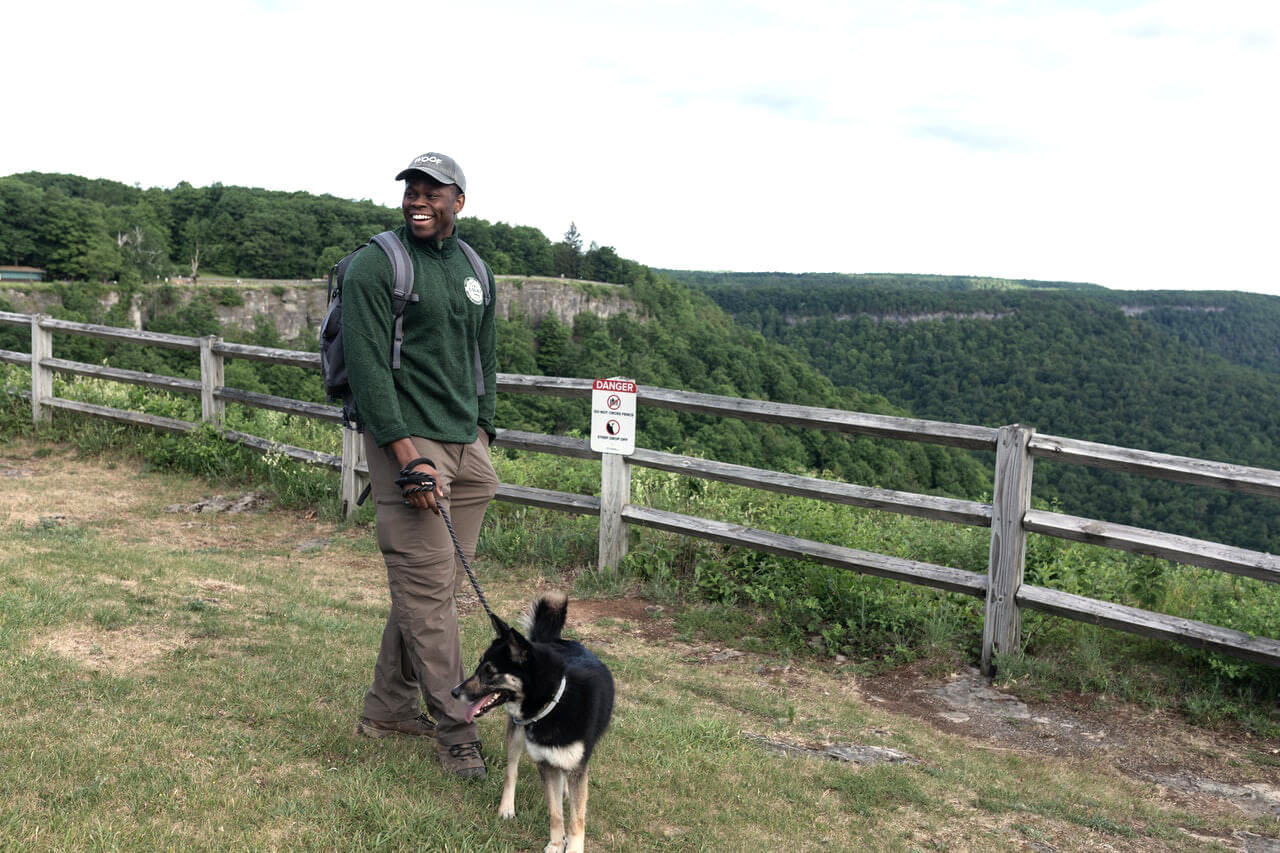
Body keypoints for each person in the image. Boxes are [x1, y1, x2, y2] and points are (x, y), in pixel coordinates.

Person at [341, 151, 498, 779]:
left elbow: (484, 353)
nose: (418, 200)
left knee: (431, 589)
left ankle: (388, 708)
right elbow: (367, 368)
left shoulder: (474, 269)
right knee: (430, 595)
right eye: (411, 188)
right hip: (410, 447)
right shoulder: (376, 265)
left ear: (458, 200)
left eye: (432, 191)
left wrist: (484, 429)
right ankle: (457, 731)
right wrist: (407, 457)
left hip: (466, 447)